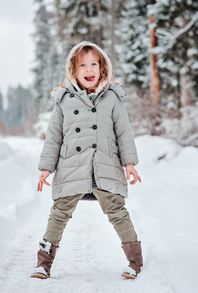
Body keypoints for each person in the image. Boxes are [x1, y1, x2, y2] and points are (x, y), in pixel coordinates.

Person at [31, 41, 143, 280]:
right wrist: (45, 168)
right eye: (83, 65)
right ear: (74, 69)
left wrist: (130, 164)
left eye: (94, 64)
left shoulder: (112, 98)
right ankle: (43, 264)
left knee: (117, 211)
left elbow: (124, 133)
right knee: (59, 213)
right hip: (72, 167)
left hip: (105, 166)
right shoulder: (63, 100)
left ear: (102, 68)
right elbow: (54, 137)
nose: (89, 69)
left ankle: (135, 261)